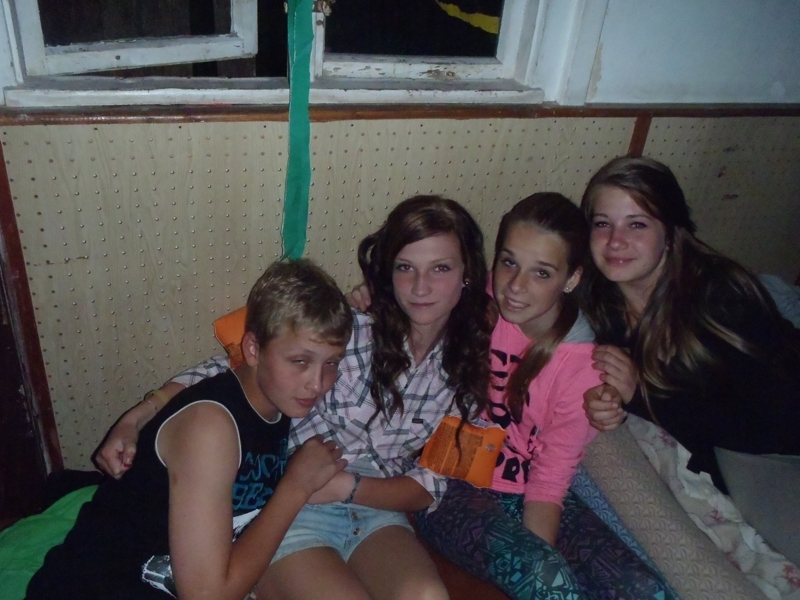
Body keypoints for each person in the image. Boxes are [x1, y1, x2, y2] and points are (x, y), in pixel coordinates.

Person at [94, 195, 495, 600]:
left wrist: (346, 487)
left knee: (428, 596)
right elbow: (233, 370)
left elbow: (433, 484)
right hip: (292, 501)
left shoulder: (475, 367)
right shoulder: (353, 328)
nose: (421, 287)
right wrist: (138, 416)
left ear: (468, 273)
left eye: (441, 268)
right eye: (405, 267)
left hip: (375, 505)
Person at [353, 193, 676, 600]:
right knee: (546, 578)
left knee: (644, 588)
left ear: (571, 278)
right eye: (509, 263)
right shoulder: (482, 298)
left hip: (529, 488)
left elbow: (551, 477)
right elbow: (422, 286)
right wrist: (372, 293)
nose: (516, 287)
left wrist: (535, 547)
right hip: (452, 481)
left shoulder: (582, 367)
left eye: (542, 273)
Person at [26, 259, 352, 600]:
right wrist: (295, 487)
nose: (317, 383)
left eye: (331, 363)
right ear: (253, 349)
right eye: (300, 361)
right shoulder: (210, 429)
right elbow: (207, 596)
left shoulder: (275, 399)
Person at [580, 155, 800, 564]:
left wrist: (642, 396)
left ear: (670, 233)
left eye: (637, 224)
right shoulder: (598, 301)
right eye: (602, 223)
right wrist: (605, 399)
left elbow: (774, 425)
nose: (615, 241)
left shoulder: (721, 297)